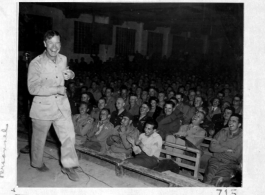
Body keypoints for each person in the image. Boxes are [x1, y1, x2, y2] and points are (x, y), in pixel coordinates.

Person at [27, 30, 79, 181]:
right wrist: (56, 89)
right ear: (45, 44)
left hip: (61, 106)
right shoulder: (36, 63)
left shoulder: (63, 58)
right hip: (42, 107)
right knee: (38, 139)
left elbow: (67, 72)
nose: (54, 47)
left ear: (60, 44)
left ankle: (68, 166)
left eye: (57, 43)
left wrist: (71, 75)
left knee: (69, 136)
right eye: (51, 43)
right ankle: (37, 163)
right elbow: (32, 88)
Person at [203, 114, 242, 186]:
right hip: (215, 160)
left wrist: (220, 147)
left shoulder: (243, 137)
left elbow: (236, 155)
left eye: (234, 121)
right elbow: (212, 147)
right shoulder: (223, 131)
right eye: (230, 120)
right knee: (207, 180)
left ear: (239, 124)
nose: (230, 122)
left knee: (217, 182)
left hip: (229, 164)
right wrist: (226, 149)